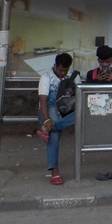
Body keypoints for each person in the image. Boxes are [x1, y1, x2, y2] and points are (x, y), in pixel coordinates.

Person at [36, 52, 79, 185]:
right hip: (50, 107)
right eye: (61, 70)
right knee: (54, 134)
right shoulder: (46, 77)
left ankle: (47, 129)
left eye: (65, 70)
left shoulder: (73, 77)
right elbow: (43, 100)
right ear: (55, 66)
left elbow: (79, 97)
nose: (63, 73)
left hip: (67, 110)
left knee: (80, 116)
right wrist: (47, 119)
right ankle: (54, 171)